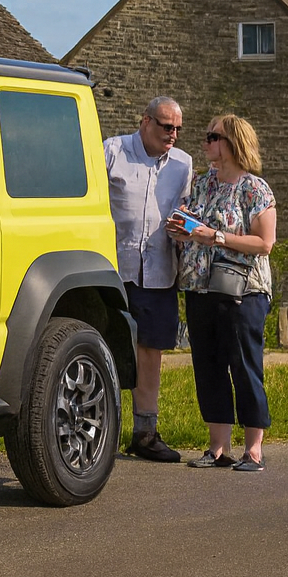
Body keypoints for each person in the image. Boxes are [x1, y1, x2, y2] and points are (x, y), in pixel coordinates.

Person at [168, 114, 277, 472]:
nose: (206, 142)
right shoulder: (201, 184)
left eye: (212, 137)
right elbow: (193, 225)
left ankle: (254, 450)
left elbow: (265, 242)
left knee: (244, 365)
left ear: (232, 143)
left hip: (242, 291)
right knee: (208, 365)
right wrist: (182, 229)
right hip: (200, 287)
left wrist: (215, 237)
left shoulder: (254, 188)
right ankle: (218, 448)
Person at [104, 96, 192, 462]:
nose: (173, 135)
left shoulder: (183, 164)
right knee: (105, 348)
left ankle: (145, 433)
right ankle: (101, 432)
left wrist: (184, 227)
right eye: (167, 126)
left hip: (158, 270)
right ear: (145, 122)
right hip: (112, 269)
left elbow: (186, 212)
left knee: (151, 351)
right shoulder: (113, 151)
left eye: (178, 129)